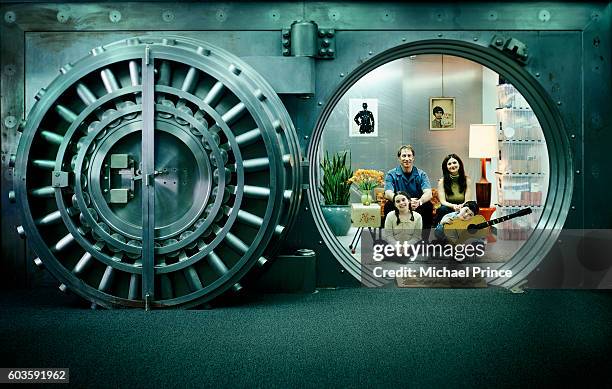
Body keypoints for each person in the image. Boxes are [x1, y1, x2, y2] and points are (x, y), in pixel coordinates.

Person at [384, 145, 433, 241]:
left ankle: (423, 241)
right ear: (399, 158)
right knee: (388, 206)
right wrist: (405, 201)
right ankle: (391, 240)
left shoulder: (421, 174)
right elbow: (388, 193)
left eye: (409, 156)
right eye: (404, 156)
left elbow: (428, 193)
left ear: (413, 158)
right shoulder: (391, 174)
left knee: (428, 206)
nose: (407, 159)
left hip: (416, 203)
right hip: (399, 203)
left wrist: (419, 201)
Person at [435, 153, 474, 224]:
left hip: (463, 206)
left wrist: (461, 206)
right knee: (442, 209)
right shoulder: (441, 181)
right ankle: (441, 230)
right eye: (449, 164)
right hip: (448, 207)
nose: (452, 165)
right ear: (446, 167)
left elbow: (468, 200)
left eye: (454, 162)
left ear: (459, 164)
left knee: (472, 207)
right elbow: (443, 201)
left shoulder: (467, 180)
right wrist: (453, 206)